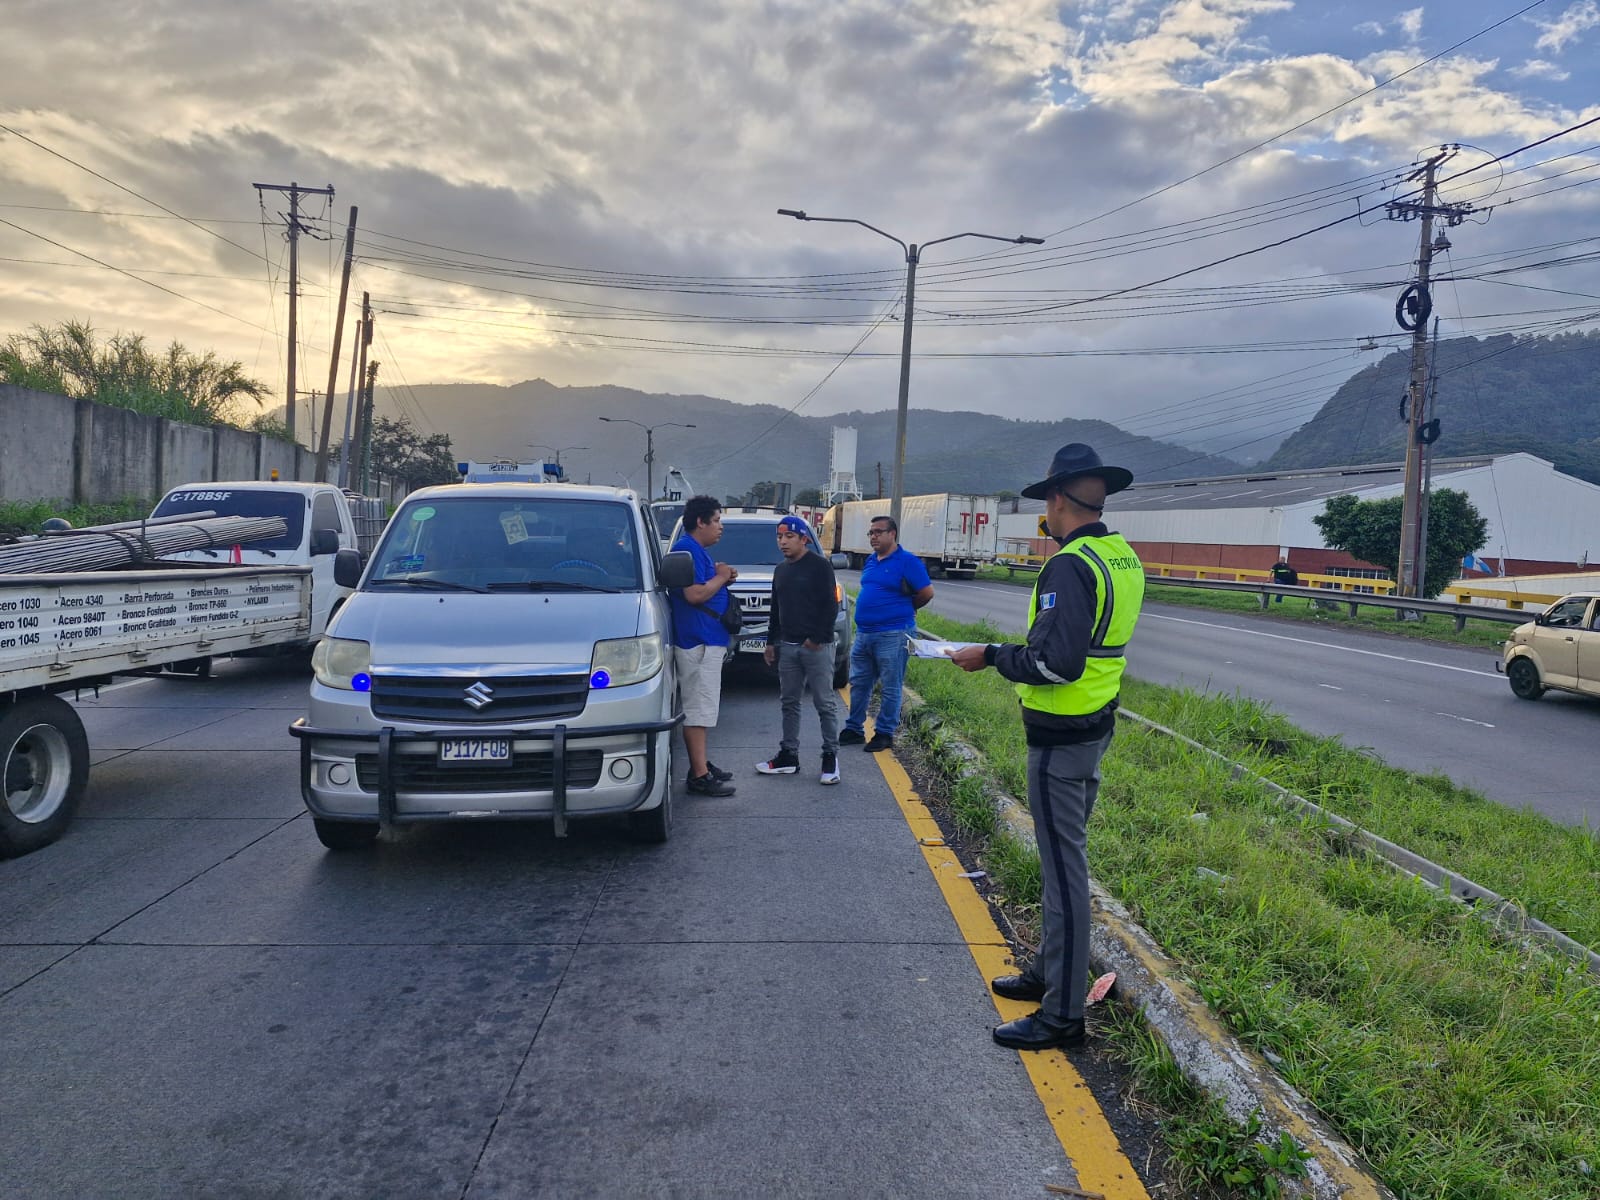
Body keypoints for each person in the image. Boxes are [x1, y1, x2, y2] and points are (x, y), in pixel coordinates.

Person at [950, 443, 1145, 1052]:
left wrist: (991, 656)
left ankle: (1063, 1015)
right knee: (1061, 864)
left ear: (1056, 500)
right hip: (1095, 725)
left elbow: (1054, 663)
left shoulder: (1068, 564)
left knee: (1064, 876)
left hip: (1061, 737)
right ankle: (1046, 973)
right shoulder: (1121, 556)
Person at [756, 516, 842, 785]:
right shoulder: (781, 570)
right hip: (788, 647)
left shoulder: (819, 566)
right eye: (780, 537)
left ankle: (830, 757)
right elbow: (776, 609)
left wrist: (816, 639)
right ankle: (788, 756)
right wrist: (771, 642)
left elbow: (830, 606)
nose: (783, 542)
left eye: (789, 537)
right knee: (789, 702)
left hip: (816, 647)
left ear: (803, 539)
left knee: (824, 703)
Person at [839, 514, 934, 753]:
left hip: (893, 633)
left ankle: (884, 733)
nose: (873, 536)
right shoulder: (871, 561)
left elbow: (926, 593)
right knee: (859, 682)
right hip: (864, 633)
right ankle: (854, 729)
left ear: (892, 534)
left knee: (891, 685)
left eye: (878, 532)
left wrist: (905, 609)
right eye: (871, 533)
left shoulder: (907, 561)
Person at [668, 495, 738, 797]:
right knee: (698, 707)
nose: (720, 527)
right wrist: (722, 577)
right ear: (701, 522)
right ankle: (699, 775)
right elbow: (694, 595)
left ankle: (701, 765)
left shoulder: (696, 551)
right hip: (698, 642)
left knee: (704, 706)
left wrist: (723, 577)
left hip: (707, 641)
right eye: (717, 520)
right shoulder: (686, 549)